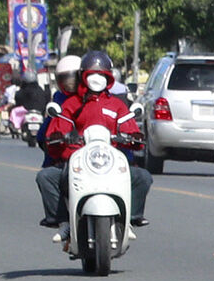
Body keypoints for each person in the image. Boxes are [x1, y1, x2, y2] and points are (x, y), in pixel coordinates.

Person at [62, 54, 152, 229]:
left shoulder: (117, 105)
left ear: (109, 78)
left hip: (109, 160)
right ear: (83, 76)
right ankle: (65, 221)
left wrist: (133, 137)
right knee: (50, 177)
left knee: (143, 177)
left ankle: (130, 218)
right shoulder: (72, 104)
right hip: (81, 161)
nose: (96, 79)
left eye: (102, 75)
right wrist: (64, 137)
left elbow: (131, 129)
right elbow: (58, 130)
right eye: (91, 74)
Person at [34, 54, 89, 229]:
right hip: (67, 155)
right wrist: (52, 138)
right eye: (64, 79)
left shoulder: (94, 96)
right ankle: (60, 219)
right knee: (46, 176)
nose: (69, 83)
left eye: (73, 78)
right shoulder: (58, 98)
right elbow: (46, 131)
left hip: (95, 153)